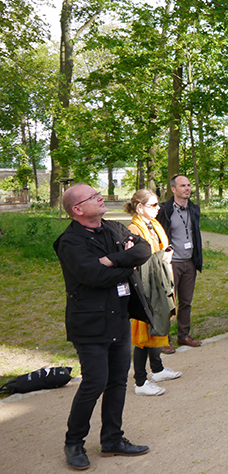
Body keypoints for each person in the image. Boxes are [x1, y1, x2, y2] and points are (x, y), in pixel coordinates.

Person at [54, 183, 152, 469]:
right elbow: (94, 276)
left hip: (119, 318)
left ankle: (112, 439)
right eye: (94, 197)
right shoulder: (69, 242)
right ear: (78, 209)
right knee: (94, 382)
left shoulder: (113, 229)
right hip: (90, 323)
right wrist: (126, 263)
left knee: (118, 381)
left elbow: (143, 249)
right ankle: (74, 443)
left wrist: (112, 259)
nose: (101, 198)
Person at [124, 190, 182, 397]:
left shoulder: (153, 224)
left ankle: (157, 369)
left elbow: (161, 247)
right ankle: (140, 381)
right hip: (146, 286)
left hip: (161, 281)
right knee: (145, 333)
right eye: (154, 205)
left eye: (158, 204)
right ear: (140, 207)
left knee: (158, 324)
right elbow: (136, 259)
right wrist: (162, 256)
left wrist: (167, 254)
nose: (159, 208)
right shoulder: (134, 228)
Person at [156, 174, 203, 351]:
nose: (187, 188)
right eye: (182, 186)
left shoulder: (194, 209)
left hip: (189, 261)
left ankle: (183, 335)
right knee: (168, 302)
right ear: (173, 189)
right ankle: (163, 339)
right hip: (171, 263)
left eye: (189, 185)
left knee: (186, 301)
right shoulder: (164, 210)